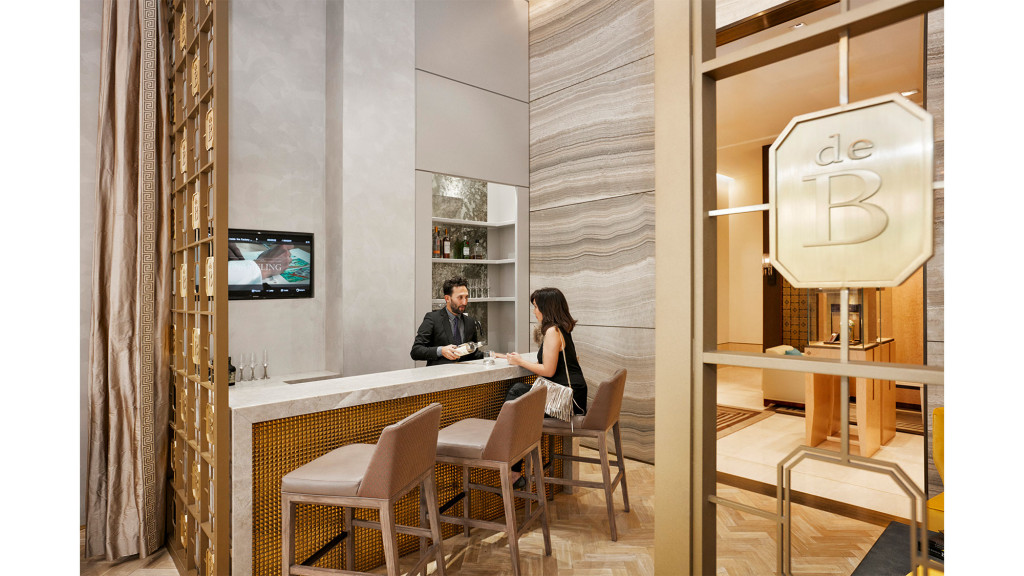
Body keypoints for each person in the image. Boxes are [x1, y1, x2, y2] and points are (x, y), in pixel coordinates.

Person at [505, 287, 588, 415]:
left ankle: (505, 434)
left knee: (516, 390)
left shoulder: (552, 331)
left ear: (546, 309)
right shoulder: (562, 329)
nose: (534, 312)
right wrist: (521, 360)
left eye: (536, 307)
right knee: (519, 390)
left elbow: (548, 371)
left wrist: (520, 362)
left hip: (567, 398)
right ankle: (518, 434)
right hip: (574, 394)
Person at [410, 277, 484, 365]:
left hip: (465, 375)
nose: (464, 302)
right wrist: (441, 351)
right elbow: (416, 351)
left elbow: (473, 354)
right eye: (460, 297)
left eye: (466, 297)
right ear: (447, 298)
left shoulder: (470, 322)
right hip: (440, 376)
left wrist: (492, 355)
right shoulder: (432, 318)